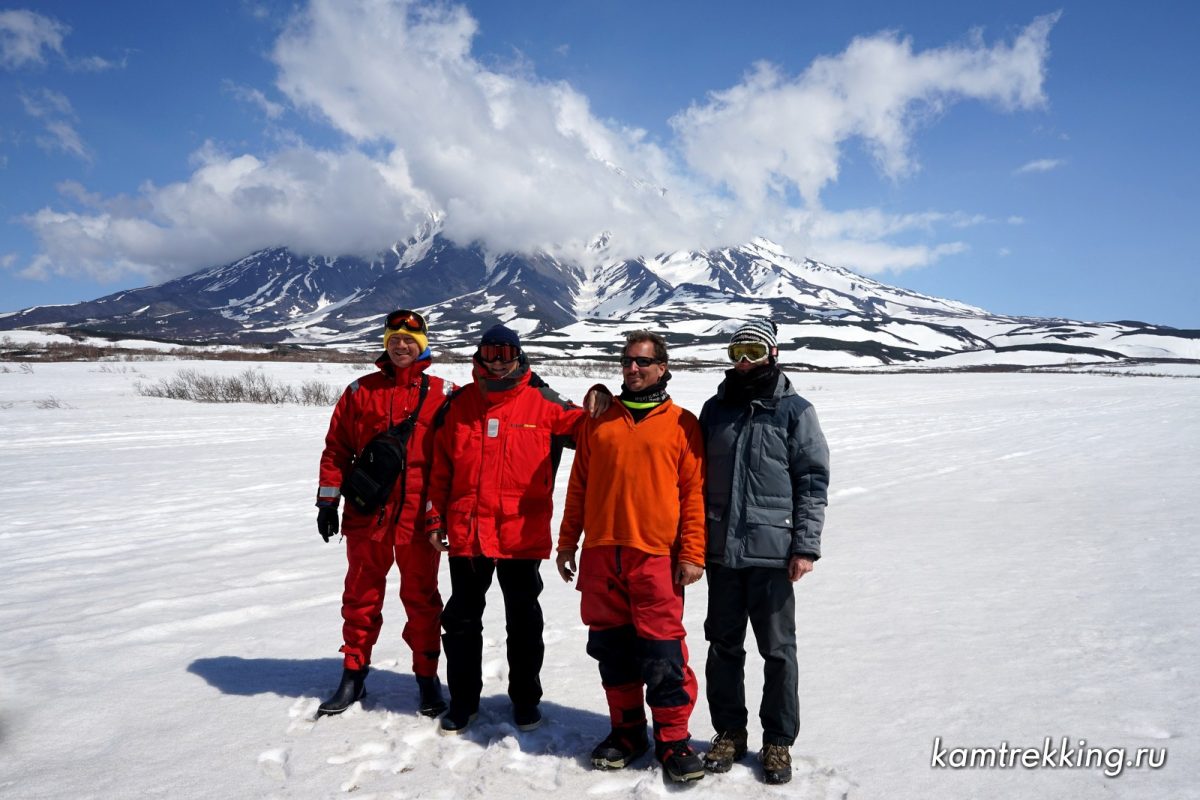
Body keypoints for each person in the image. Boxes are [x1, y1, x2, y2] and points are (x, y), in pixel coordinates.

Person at [556, 330, 707, 784]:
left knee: (663, 653)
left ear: (663, 367)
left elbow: (694, 494)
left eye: (642, 362)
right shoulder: (598, 421)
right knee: (612, 651)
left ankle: (673, 740)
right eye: (626, 362)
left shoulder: (683, 423)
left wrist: (693, 553)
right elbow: (578, 486)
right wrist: (567, 543)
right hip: (603, 555)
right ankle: (626, 733)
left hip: (656, 557)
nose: (633, 369)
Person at [425, 324, 590, 735]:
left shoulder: (542, 401)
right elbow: (440, 469)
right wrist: (434, 518)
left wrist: (603, 400)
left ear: (519, 356)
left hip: (521, 535)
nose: (498, 362)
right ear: (479, 356)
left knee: (524, 621)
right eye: (490, 353)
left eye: (506, 353)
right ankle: (464, 702)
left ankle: (526, 701)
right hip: (467, 533)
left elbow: (592, 430)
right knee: (461, 621)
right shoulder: (459, 404)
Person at [697, 320, 830, 785]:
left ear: (772, 353)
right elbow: (693, 481)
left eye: (753, 350)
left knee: (777, 650)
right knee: (723, 647)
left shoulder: (794, 411)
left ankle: (778, 741)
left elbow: (812, 482)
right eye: (737, 351)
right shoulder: (715, 410)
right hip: (721, 554)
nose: (744, 361)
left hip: (773, 554)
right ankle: (729, 733)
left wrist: (806, 546)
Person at [314, 308, 454, 718]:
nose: (401, 345)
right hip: (366, 516)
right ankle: (353, 675)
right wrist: (327, 501)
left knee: (422, 601)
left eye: (410, 340)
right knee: (360, 596)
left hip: (418, 521)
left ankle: (427, 679)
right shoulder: (360, 392)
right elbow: (336, 450)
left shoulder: (445, 394)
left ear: (423, 345)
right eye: (394, 338)